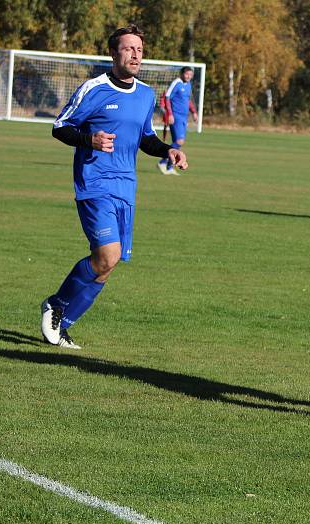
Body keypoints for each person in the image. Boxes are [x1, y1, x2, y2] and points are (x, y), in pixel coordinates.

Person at [40, 24, 188, 349]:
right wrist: (88, 140)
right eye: (128, 48)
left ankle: (63, 324)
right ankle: (55, 303)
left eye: (139, 49)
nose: (135, 55)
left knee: (106, 266)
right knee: (108, 255)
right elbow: (60, 127)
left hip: (126, 188)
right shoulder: (94, 89)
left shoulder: (146, 94)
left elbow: (146, 139)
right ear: (113, 53)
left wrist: (168, 150)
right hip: (94, 185)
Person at [157, 66, 198, 175]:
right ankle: (163, 161)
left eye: (191, 74)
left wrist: (194, 111)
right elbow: (167, 97)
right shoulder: (176, 83)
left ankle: (169, 167)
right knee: (180, 141)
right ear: (182, 74)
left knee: (178, 143)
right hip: (176, 116)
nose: (189, 76)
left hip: (184, 117)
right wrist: (169, 114)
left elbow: (187, 100)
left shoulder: (188, 85)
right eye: (187, 74)